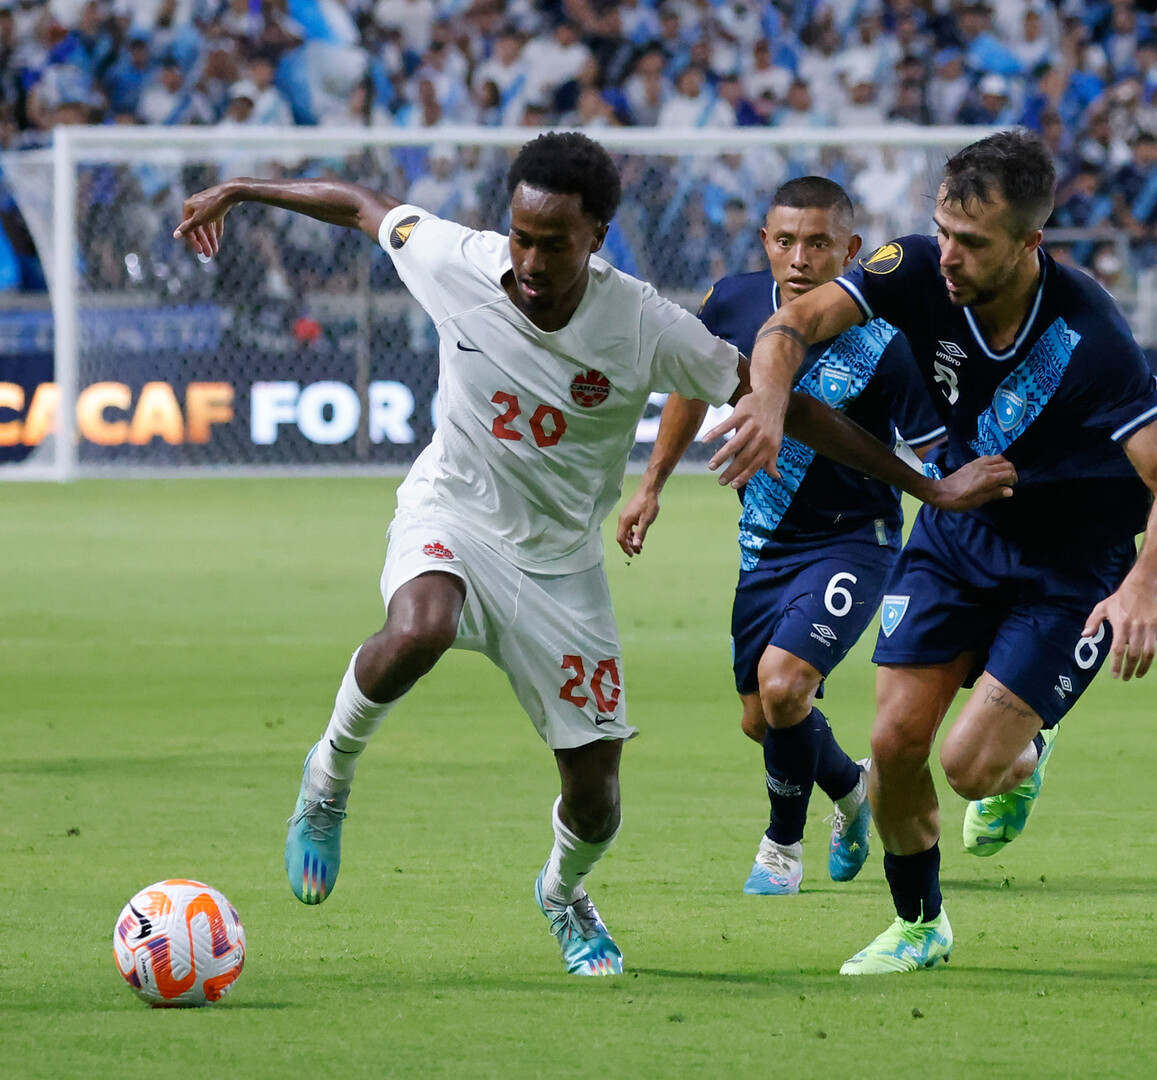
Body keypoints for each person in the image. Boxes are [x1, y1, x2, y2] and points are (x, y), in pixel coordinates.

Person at [171, 133, 1015, 978]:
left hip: (560, 567)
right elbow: (360, 205)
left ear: (597, 238)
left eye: (554, 243)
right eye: (521, 236)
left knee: (598, 801)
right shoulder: (454, 259)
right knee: (420, 626)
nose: (530, 260)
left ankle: (563, 893)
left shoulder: (642, 321)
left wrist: (927, 487)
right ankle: (327, 780)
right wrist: (240, 189)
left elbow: (789, 408)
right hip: (452, 513)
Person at [708, 131, 1157, 975]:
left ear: (1029, 242)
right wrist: (765, 399)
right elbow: (791, 323)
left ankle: (1026, 752)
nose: (950, 256)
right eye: (944, 231)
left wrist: (1144, 589)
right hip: (957, 533)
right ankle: (920, 923)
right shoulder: (912, 265)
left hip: (1070, 567)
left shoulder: (1090, 333)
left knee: (970, 770)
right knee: (896, 744)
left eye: (973, 243)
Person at [618, 177, 943, 897]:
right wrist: (651, 484)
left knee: (784, 685)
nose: (799, 258)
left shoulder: (884, 340)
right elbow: (690, 386)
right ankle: (855, 790)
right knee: (760, 720)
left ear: (852, 250)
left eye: (819, 243)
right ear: (765, 241)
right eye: (785, 241)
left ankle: (780, 847)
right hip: (764, 544)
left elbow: (936, 453)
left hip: (856, 539)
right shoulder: (732, 303)